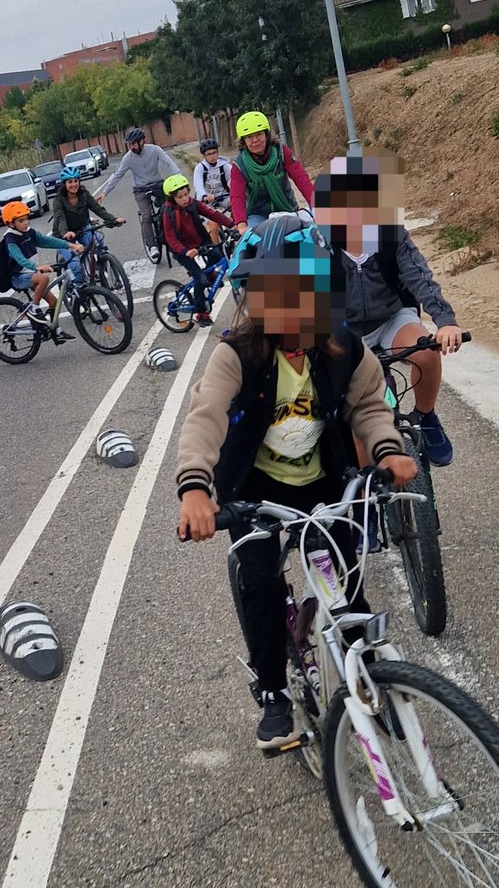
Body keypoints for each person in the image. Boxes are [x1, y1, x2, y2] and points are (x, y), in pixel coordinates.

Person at [175, 214, 415, 747]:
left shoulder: (343, 348)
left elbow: (370, 404)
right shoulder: (235, 354)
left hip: (319, 477)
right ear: (255, 298)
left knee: (343, 579)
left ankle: (369, 677)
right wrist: (195, 487)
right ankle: (272, 691)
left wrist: (388, 448)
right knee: (259, 578)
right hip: (255, 489)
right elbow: (205, 415)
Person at [314, 153, 465, 466]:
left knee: (426, 352)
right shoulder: (319, 243)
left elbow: (420, 277)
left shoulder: (391, 234)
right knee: (356, 421)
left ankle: (427, 418)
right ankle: (366, 500)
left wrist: (446, 321)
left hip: (391, 319)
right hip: (344, 331)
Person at [0, 199, 84, 336]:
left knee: (54, 302)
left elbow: (49, 241)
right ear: (10, 223)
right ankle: (34, 308)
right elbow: (19, 258)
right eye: (21, 221)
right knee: (43, 278)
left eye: (26, 219)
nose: (26, 222)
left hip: (32, 275)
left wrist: (71, 246)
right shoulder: (10, 239)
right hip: (18, 277)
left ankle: (56, 330)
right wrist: (37, 267)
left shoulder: (29, 233)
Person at [160, 174, 234, 326]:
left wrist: (232, 224)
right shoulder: (168, 213)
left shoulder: (192, 203)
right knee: (200, 278)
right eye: (180, 197)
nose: (185, 199)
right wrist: (185, 252)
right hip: (182, 249)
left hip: (199, 242)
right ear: (171, 198)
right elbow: (171, 239)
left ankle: (211, 275)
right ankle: (201, 314)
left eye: (186, 194)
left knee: (217, 254)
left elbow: (211, 213)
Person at [94, 126, 183, 252]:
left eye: (134, 144)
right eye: (130, 145)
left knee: (171, 208)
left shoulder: (154, 150)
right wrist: (105, 192)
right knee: (146, 216)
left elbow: (169, 163)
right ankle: (152, 246)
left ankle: (174, 235)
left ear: (142, 142)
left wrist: (179, 176)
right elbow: (118, 174)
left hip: (158, 184)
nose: (131, 147)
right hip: (140, 189)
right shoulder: (128, 157)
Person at [230, 111, 314, 237]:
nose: (255, 140)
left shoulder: (282, 152)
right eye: (249, 137)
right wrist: (241, 225)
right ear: (243, 141)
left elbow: (301, 178)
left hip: (287, 209)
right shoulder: (239, 165)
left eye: (259, 134)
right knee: (256, 245)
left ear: (267, 135)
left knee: (305, 241)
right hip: (257, 214)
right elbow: (237, 197)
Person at [50, 166, 125, 285]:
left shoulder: (84, 194)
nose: (74, 184)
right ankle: (80, 291)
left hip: (82, 229)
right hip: (63, 236)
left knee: (98, 241)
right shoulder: (59, 200)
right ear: (64, 184)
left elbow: (97, 209)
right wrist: (65, 233)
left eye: (76, 181)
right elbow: (60, 218)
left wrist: (114, 219)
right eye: (70, 182)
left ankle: (98, 269)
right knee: (75, 265)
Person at [193, 138, 232, 212]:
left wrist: (232, 185)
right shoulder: (200, 168)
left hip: (223, 196)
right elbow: (198, 185)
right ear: (204, 156)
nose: (212, 156)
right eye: (209, 154)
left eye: (214, 152)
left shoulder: (225, 165)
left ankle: (235, 223)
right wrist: (204, 196)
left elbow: (233, 178)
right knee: (214, 221)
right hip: (207, 199)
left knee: (235, 205)